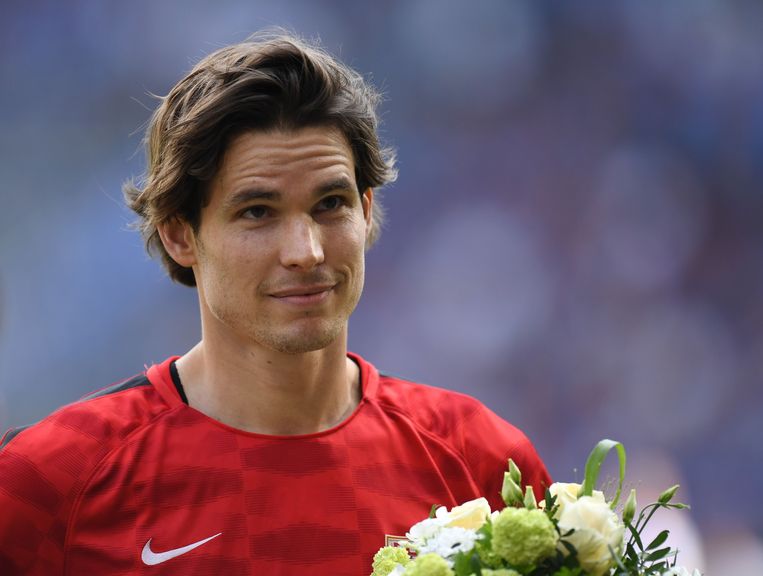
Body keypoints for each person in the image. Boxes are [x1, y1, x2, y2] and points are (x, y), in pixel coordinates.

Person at [0, 32, 550, 575]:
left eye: (330, 203)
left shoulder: (481, 462)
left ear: (365, 211)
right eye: (258, 212)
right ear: (179, 234)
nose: (305, 252)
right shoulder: (48, 482)